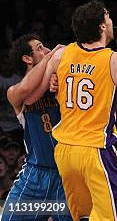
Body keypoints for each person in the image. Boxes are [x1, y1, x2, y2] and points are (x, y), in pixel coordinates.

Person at [45, 0, 117, 220]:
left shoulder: (61, 55)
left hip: (64, 151)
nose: (111, 22)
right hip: (95, 151)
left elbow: (50, 85)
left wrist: (56, 81)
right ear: (101, 26)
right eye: (108, 18)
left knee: (83, 216)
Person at [2, 34, 69, 221]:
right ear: (27, 58)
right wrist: (51, 58)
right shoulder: (14, 92)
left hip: (66, 176)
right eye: (40, 48)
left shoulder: (58, 81)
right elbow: (27, 91)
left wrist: (54, 74)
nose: (47, 50)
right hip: (35, 176)